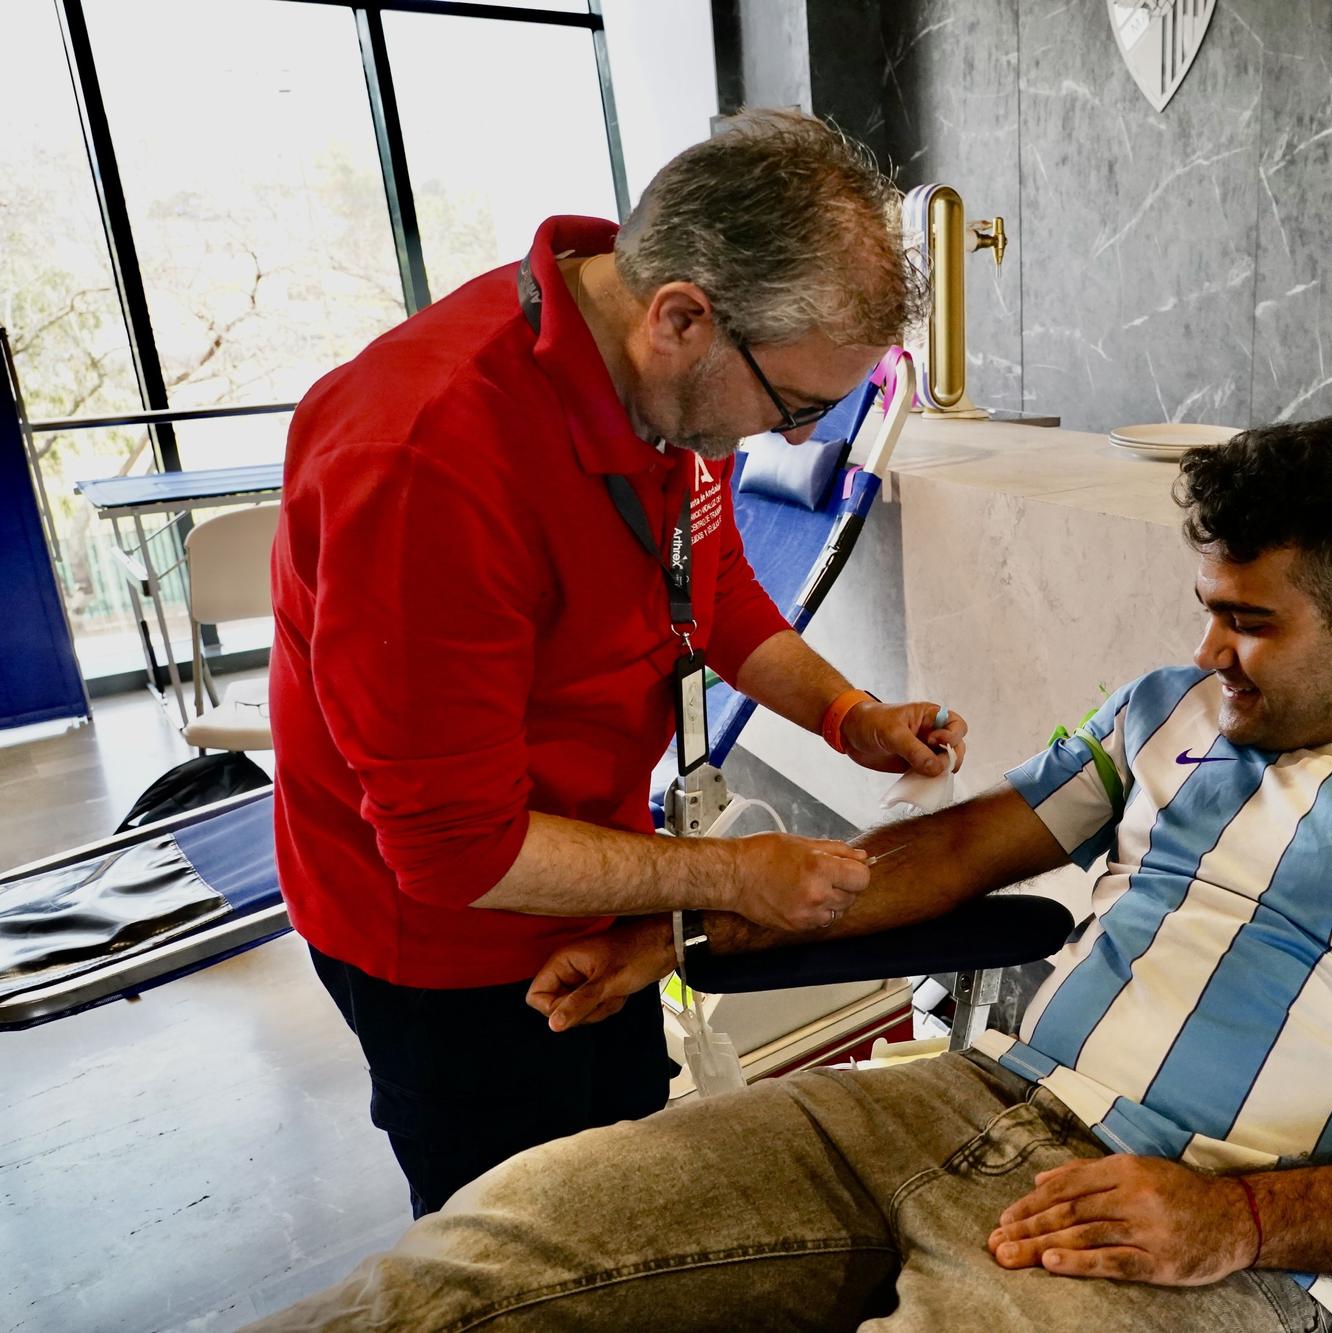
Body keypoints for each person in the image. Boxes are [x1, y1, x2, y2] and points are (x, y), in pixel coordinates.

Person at [255, 417, 1332, 1333]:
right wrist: (692, 928)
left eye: (1247, 623)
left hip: (1189, 1231)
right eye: (1206, 612)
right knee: (488, 1254)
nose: (1212, 652)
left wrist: (1238, 1219)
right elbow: (957, 848)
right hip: (956, 1106)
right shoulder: (1170, 706)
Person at [268, 109, 965, 1218]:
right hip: (449, 939)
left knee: (632, 1186)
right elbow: (458, 852)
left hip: (603, 883)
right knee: (524, 1243)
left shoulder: (657, 387)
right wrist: (736, 878)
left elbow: (716, 592)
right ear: (681, 315)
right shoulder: (424, 462)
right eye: (795, 405)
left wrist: (848, 715)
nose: (791, 441)